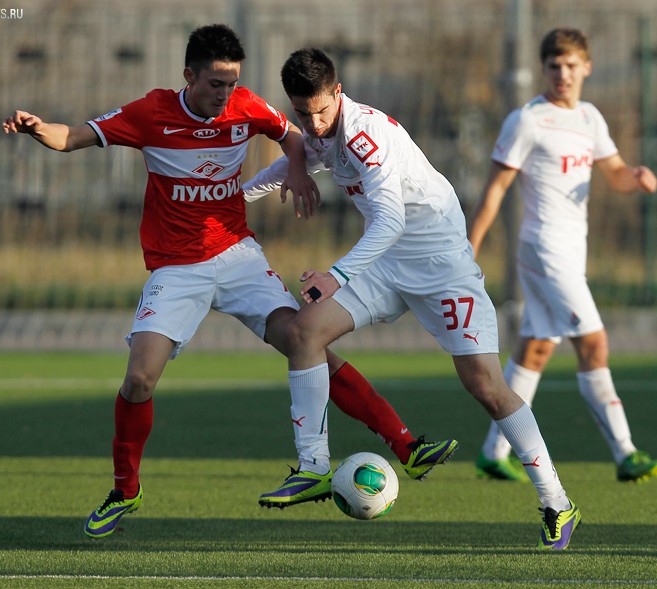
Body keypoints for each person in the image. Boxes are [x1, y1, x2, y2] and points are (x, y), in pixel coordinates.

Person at [2, 24, 457, 539]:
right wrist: (40, 129)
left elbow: (290, 134)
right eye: (216, 83)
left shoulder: (245, 105)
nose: (226, 94)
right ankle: (125, 490)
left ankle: (406, 446)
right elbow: (73, 137)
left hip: (238, 256)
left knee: (304, 341)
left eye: (232, 82)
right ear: (189, 76)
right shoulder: (150, 113)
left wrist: (298, 170)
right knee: (139, 379)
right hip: (176, 268)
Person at [243, 47, 580, 550]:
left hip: (440, 263)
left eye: (320, 110)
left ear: (338, 94)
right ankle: (312, 465)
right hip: (387, 263)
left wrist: (335, 275)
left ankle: (557, 502)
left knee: (485, 385)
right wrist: (228, 199)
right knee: (305, 333)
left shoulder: (364, 135)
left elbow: (392, 221)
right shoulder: (322, 131)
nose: (312, 124)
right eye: (301, 113)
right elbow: (291, 166)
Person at [468, 27, 657, 484]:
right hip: (542, 248)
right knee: (593, 342)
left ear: (586, 68)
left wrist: (637, 176)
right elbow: (496, 190)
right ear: (544, 68)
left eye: (572, 65)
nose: (563, 74)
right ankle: (626, 452)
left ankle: (494, 451)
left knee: (534, 349)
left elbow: (613, 174)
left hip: (573, 250)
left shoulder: (590, 117)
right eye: (555, 65)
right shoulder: (528, 119)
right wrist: (468, 250)